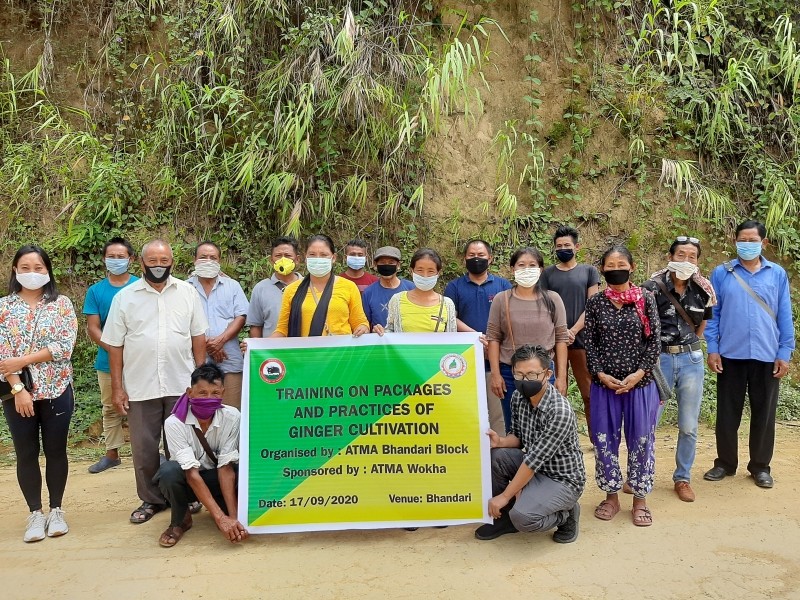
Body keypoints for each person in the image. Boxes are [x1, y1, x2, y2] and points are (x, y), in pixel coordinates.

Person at [102, 239, 208, 524]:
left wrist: (201, 378)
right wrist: (117, 388)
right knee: (144, 448)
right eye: (152, 261)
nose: (158, 266)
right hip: (140, 386)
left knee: (183, 446)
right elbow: (114, 345)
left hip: (181, 385)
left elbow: (198, 336)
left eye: (164, 261)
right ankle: (151, 500)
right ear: (142, 263)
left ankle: (186, 496)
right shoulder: (125, 297)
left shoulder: (187, 293)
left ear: (172, 262)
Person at [704, 220, 795, 489]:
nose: (747, 244)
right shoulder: (722, 273)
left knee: (764, 415)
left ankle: (760, 467)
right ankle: (725, 463)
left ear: (763, 243)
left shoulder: (776, 274)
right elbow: (713, 315)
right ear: (735, 241)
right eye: (742, 239)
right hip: (730, 354)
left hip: (767, 355)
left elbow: (784, 315)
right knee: (727, 413)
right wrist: (713, 348)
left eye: (753, 240)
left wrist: (785, 352)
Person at [0, 245, 77, 542]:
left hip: (56, 388)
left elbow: (63, 347)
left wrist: (24, 360)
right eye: (26, 268)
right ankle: (35, 513)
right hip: (17, 392)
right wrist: (18, 387)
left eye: (39, 268)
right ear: (15, 271)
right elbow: (3, 353)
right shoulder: (4, 307)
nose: (33, 273)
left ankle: (56, 510)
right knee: (26, 453)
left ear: (48, 271)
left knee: (56, 450)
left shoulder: (62, 304)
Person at [474, 345, 585, 543]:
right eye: (519, 374)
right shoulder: (518, 397)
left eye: (532, 375)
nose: (525, 381)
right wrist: (500, 441)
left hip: (561, 479)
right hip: (534, 467)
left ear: (547, 374)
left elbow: (533, 461)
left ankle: (566, 514)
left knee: (524, 518)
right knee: (497, 456)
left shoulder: (559, 411)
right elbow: (517, 437)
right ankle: (505, 517)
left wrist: (505, 496)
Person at [584, 246, 660, 527]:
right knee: (604, 440)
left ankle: (640, 500)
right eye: (610, 264)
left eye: (621, 263)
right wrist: (601, 374)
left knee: (641, 440)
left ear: (632, 266)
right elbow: (589, 343)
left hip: (640, 385)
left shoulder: (646, 299)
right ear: (602, 269)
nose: (616, 267)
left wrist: (639, 374)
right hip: (605, 385)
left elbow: (654, 342)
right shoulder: (595, 302)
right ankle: (611, 496)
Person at [641, 236, 715, 502]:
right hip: (659, 360)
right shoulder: (651, 287)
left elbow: (702, 325)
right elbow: (642, 325)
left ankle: (682, 478)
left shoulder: (703, 289)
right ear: (670, 256)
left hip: (691, 361)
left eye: (692, 257)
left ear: (698, 261)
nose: (686, 261)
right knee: (649, 422)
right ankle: (641, 474)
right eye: (681, 255)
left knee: (688, 425)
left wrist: (690, 347)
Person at [155, 364, 248, 548]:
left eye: (215, 393)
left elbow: (225, 467)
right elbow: (191, 473)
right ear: (190, 393)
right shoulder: (174, 423)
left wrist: (233, 517)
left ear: (223, 392)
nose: (209, 398)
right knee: (169, 472)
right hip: (188, 481)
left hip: (217, 478)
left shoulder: (232, 416)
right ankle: (180, 520)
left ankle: (230, 512)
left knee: (240, 469)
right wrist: (221, 519)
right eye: (202, 393)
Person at [487, 247, 569, 433]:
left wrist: (562, 377)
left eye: (532, 265)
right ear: (512, 269)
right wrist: (496, 375)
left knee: (547, 426)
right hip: (511, 374)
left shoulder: (553, 299)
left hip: (544, 375)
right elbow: (494, 338)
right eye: (521, 265)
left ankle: (543, 462)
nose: (527, 269)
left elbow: (561, 340)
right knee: (515, 427)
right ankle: (517, 462)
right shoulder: (502, 299)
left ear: (540, 269)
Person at [83, 237, 139, 474]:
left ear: (131, 259)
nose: (116, 261)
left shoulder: (141, 286)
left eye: (121, 256)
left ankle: (144, 452)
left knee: (143, 407)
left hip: (140, 360)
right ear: (104, 259)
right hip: (107, 361)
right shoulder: (96, 291)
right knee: (110, 406)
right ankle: (112, 453)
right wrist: (114, 348)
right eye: (111, 256)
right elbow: (93, 327)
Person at [444, 239, 512, 434]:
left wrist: (492, 340)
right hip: (465, 362)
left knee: (498, 412)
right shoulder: (454, 287)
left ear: (490, 258)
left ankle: (499, 454)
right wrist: (475, 337)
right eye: (471, 255)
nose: (476, 259)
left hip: (498, 363)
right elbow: (450, 318)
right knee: (468, 411)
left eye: (481, 255)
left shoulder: (502, 285)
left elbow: (509, 316)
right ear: (464, 258)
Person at [541, 226, 599, 434]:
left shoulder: (589, 271)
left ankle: (596, 436)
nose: (563, 248)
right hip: (554, 341)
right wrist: (561, 333)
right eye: (559, 246)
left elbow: (592, 305)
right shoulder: (547, 274)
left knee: (589, 391)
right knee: (556, 389)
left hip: (583, 340)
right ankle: (559, 435)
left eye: (567, 245)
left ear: (577, 247)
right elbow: (545, 306)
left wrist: (572, 330)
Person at [188, 241, 249, 409]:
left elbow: (241, 316)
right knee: (201, 410)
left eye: (213, 258)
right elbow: (180, 322)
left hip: (229, 358)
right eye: (203, 257)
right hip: (195, 361)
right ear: (194, 260)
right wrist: (208, 344)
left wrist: (220, 341)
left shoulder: (232, 286)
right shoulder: (184, 288)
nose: (208, 261)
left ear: (219, 261)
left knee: (231, 411)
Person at [273, 235, 369, 338]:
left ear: (333, 258)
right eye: (312, 254)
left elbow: (360, 322)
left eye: (324, 255)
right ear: (306, 257)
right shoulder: (291, 290)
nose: (318, 259)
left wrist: (363, 328)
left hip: (341, 352)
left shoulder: (349, 287)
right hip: (306, 351)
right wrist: (260, 348)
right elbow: (282, 329)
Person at [378, 248, 457, 334]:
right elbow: (390, 331)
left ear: (438, 273)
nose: (425, 276)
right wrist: (381, 331)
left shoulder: (447, 304)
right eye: (420, 270)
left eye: (431, 271)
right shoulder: (397, 300)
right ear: (411, 271)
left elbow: (452, 338)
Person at [246, 236, 302, 339]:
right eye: (278, 256)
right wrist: (259, 351)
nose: (283, 259)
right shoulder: (261, 288)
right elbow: (256, 326)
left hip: (305, 351)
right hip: (273, 352)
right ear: (271, 260)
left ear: (297, 259)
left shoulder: (308, 286)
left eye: (288, 255)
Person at [361, 246, 414, 330]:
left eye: (391, 263)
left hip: (406, 340)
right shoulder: (369, 292)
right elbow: (365, 323)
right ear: (375, 265)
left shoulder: (411, 288)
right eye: (382, 263)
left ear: (398, 265)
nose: (386, 266)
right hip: (380, 340)